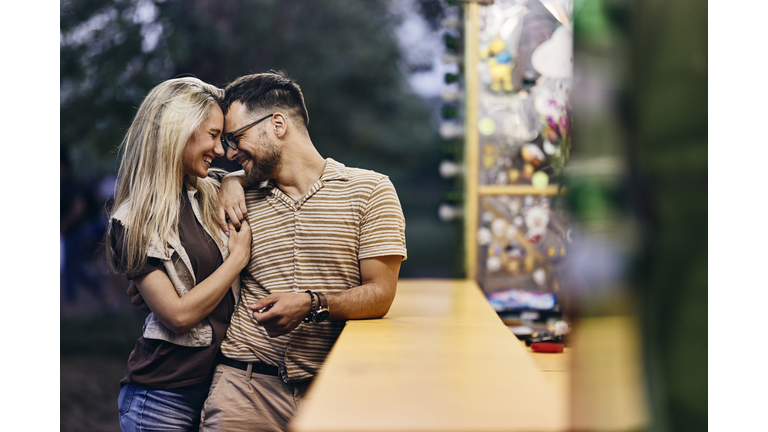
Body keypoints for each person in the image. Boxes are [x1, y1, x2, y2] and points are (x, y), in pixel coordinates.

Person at [203, 71, 408, 431]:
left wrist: (311, 304)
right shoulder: (235, 196)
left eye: (235, 138)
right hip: (243, 389)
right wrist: (230, 181)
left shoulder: (371, 191)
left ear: (277, 124)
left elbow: (380, 293)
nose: (229, 153)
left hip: (335, 392)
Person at [106, 77, 253, 432]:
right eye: (213, 135)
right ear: (178, 132)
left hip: (220, 390)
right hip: (161, 398)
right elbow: (178, 316)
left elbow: (269, 173)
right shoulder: (133, 219)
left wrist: (233, 180)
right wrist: (237, 259)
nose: (220, 150)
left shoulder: (210, 191)